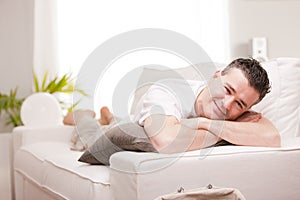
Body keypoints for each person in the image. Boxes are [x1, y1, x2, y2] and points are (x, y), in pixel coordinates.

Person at [64, 58, 281, 154]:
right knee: (91, 134)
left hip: (138, 118)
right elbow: (166, 140)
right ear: (215, 77)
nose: (226, 105)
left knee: (119, 120)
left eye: (240, 104)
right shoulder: (166, 91)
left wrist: (205, 124)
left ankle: (110, 115)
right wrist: (220, 129)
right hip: (134, 122)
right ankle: (82, 115)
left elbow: (271, 138)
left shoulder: (233, 107)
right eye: (227, 89)